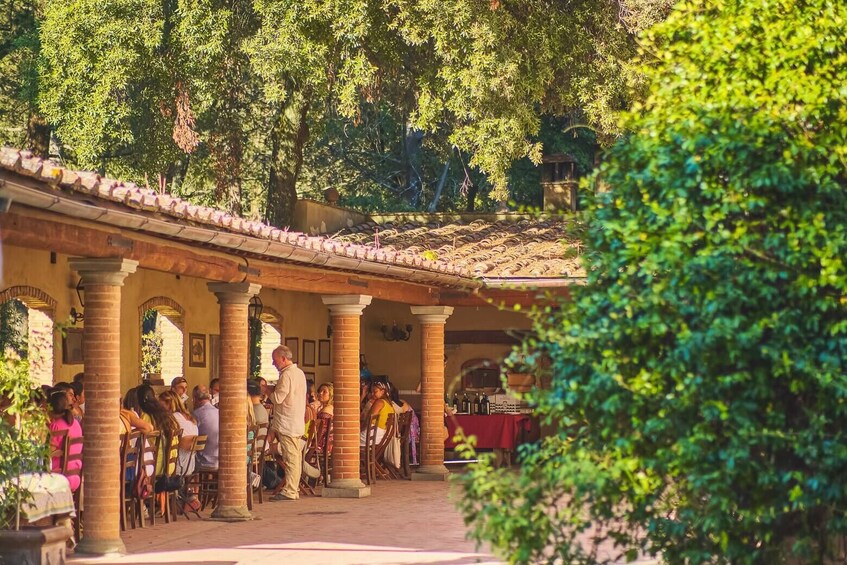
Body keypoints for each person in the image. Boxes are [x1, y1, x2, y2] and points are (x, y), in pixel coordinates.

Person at [268, 345, 306, 502]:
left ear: (283, 359)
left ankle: (290, 490)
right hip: (295, 420)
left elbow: (278, 399)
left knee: (291, 458)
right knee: (294, 457)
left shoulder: (287, 375)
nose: (273, 363)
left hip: (287, 422)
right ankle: (293, 488)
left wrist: (267, 391)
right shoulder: (299, 373)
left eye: (275, 360)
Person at [48, 390, 83, 492]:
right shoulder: (76, 423)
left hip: (58, 478)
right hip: (75, 476)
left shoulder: (55, 426)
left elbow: (47, 455)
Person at [158, 390, 198, 476]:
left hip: (177, 466)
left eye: (161, 405)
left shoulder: (172, 418)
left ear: (169, 403)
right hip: (190, 466)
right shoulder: (190, 418)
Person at [360, 380, 395, 446]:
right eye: (372, 392)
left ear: (382, 392)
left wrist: (360, 430)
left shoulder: (379, 402)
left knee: (347, 440)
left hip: (372, 437)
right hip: (381, 437)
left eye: (375, 391)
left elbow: (368, 420)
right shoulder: (389, 404)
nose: (372, 394)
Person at [193, 385, 219, 470]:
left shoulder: (196, 414)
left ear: (195, 398)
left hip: (205, 460)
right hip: (221, 458)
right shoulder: (218, 412)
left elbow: (191, 436)